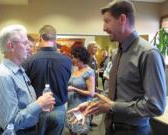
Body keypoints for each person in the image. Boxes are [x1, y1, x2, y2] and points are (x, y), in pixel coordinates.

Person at [68, 1, 167, 135]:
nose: (103, 28)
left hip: (133, 131)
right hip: (111, 128)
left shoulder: (148, 54)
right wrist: (92, 104)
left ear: (122, 19)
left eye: (107, 21)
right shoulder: (118, 52)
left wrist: (113, 107)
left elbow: (156, 106)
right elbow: (114, 91)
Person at [0, 24, 55, 135]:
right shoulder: (3, 77)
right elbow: (9, 124)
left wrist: (41, 106)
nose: (28, 47)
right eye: (24, 43)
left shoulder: (19, 71)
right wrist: (38, 104)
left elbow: (23, 105)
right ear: (11, 46)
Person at [22, 25, 72, 135]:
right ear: (55, 39)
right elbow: (67, 81)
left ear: (40, 38)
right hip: (58, 109)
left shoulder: (28, 61)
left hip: (36, 109)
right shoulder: (67, 61)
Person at [67, 46, 95, 135]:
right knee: (71, 129)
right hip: (71, 104)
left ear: (79, 57)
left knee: (80, 130)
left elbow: (91, 93)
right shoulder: (74, 69)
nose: (72, 59)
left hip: (82, 106)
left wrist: (74, 89)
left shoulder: (89, 72)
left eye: (73, 57)